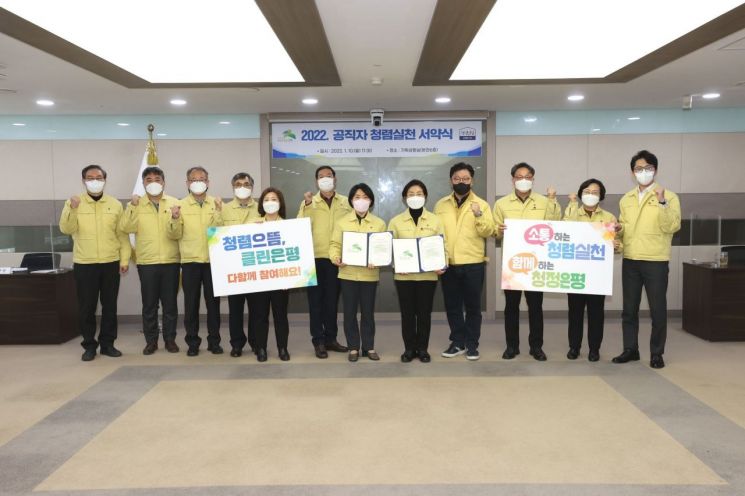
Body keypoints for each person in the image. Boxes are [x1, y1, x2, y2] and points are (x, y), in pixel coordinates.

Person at [613, 150, 681, 369]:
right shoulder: (626, 199)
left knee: (658, 310)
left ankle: (656, 353)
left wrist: (661, 202)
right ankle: (630, 349)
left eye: (648, 168)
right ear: (632, 172)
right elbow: (625, 229)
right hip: (631, 259)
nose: (643, 172)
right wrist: (618, 231)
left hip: (656, 260)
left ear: (655, 170)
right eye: (638, 169)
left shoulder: (669, 196)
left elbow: (672, 226)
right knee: (629, 310)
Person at [59, 165, 131, 361]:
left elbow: (122, 236)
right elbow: (66, 228)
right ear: (83, 180)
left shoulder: (115, 204)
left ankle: (108, 344)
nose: (95, 180)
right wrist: (72, 209)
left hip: (110, 262)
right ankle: (89, 345)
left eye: (98, 177)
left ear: (105, 179)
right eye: (90, 177)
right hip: (85, 263)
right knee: (86, 307)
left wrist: (124, 259)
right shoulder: (74, 202)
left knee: (110, 307)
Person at [494, 162, 560, 361]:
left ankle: (536, 347)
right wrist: (498, 230)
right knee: (511, 308)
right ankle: (511, 346)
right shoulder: (502, 204)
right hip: (513, 266)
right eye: (519, 176)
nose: (524, 180)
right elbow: (495, 233)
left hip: (536, 264)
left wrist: (553, 199)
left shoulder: (544, 201)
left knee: (535, 307)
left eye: (528, 176)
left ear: (533, 179)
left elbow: (555, 225)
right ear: (513, 179)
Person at [434, 162, 495, 361]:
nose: (462, 182)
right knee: (452, 306)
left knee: (473, 307)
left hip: (473, 263)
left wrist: (478, 215)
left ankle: (472, 344)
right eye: (457, 179)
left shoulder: (482, 204)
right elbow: (434, 235)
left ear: (472, 181)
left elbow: (489, 231)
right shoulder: (441, 204)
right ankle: (457, 342)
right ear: (451, 180)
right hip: (448, 264)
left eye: (466, 179)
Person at [119, 166, 181, 355]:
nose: (153, 183)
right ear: (143, 183)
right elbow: (125, 227)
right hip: (146, 262)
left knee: (170, 304)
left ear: (163, 182)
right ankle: (151, 341)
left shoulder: (174, 203)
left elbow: (178, 233)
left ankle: (170, 340)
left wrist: (176, 218)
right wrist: (133, 207)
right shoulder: (135, 205)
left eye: (157, 179)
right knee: (149, 305)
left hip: (171, 261)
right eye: (149, 180)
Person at [166, 166, 224, 357]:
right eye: (194, 179)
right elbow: (174, 234)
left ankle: (214, 341)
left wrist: (218, 211)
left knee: (213, 306)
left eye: (202, 179)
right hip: (190, 262)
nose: (198, 182)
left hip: (213, 262)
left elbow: (222, 232)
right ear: (187, 183)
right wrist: (174, 218)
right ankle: (192, 342)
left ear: (208, 182)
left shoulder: (216, 203)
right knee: (191, 305)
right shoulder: (179, 205)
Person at [563, 179, 621, 362]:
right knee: (575, 312)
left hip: (598, 274)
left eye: (595, 192)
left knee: (596, 313)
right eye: (587, 191)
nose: (590, 195)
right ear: (581, 194)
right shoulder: (573, 213)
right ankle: (574, 347)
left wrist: (616, 245)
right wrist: (571, 204)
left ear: (601, 196)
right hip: (575, 272)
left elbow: (619, 245)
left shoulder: (609, 217)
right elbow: (565, 231)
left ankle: (594, 349)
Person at [388, 180, 445, 363]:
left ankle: (423, 349)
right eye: (411, 194)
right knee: (407, 314)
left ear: (425, 197)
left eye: (419, 193)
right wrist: (397, 264)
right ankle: (409, 349)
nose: (415, 197)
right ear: (405, 198)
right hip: (404, 277)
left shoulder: (435, 220)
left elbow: (442, 245)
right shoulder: (396, 221)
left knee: (424, 313)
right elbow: (389, 248)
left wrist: (442, 263)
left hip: (428, 276)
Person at [298, 166, 351, 358]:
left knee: (332, 302)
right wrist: (308, 204)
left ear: (335, 179)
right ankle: (318, 341)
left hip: (336, 260)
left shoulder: (346, 202)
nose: (325, 179)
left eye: (329, 176)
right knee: (315, 303)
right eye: (321, 177)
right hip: (313, 259)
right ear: (316, 181)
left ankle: (331, 338)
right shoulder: (308, 202)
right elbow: (299, 227)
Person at [329, 183, 387, 362]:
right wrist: (336, 258)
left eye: (365, 197)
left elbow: (382, 249)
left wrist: (378, 261)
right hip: (348, 274)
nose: (361, 201)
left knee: (368, 313)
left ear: (371, 201)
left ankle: (369, 347)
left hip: (369, 275)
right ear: (351, 200)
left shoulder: (379, 223)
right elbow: (334, 245)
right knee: (349, 312)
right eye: (357, 197)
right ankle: (353, 347)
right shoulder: (342, 222)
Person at [220, 173, 261, 357]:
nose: (242, 187)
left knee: (256, 309)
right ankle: (236, 344)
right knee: (235, 310)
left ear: (252, 186)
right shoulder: (224, 209)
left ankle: (255, 341)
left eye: (246, 184)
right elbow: (216, 235)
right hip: (234, 269)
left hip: (256, 268)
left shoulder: (262, 207)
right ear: (233, 187)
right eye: (238, 184)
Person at [252, 188, 291, 362]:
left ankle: (282, 348)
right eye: (266, 199)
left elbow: (293, 255)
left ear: (280, 203)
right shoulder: (254, 225)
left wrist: (290, 277)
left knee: (280, 315)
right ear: (261, 204)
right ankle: (261, 348)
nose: (270, 202)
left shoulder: (289, 227)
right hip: (260, 280)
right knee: (260, 316)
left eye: (274, 199)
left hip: (281, 279)